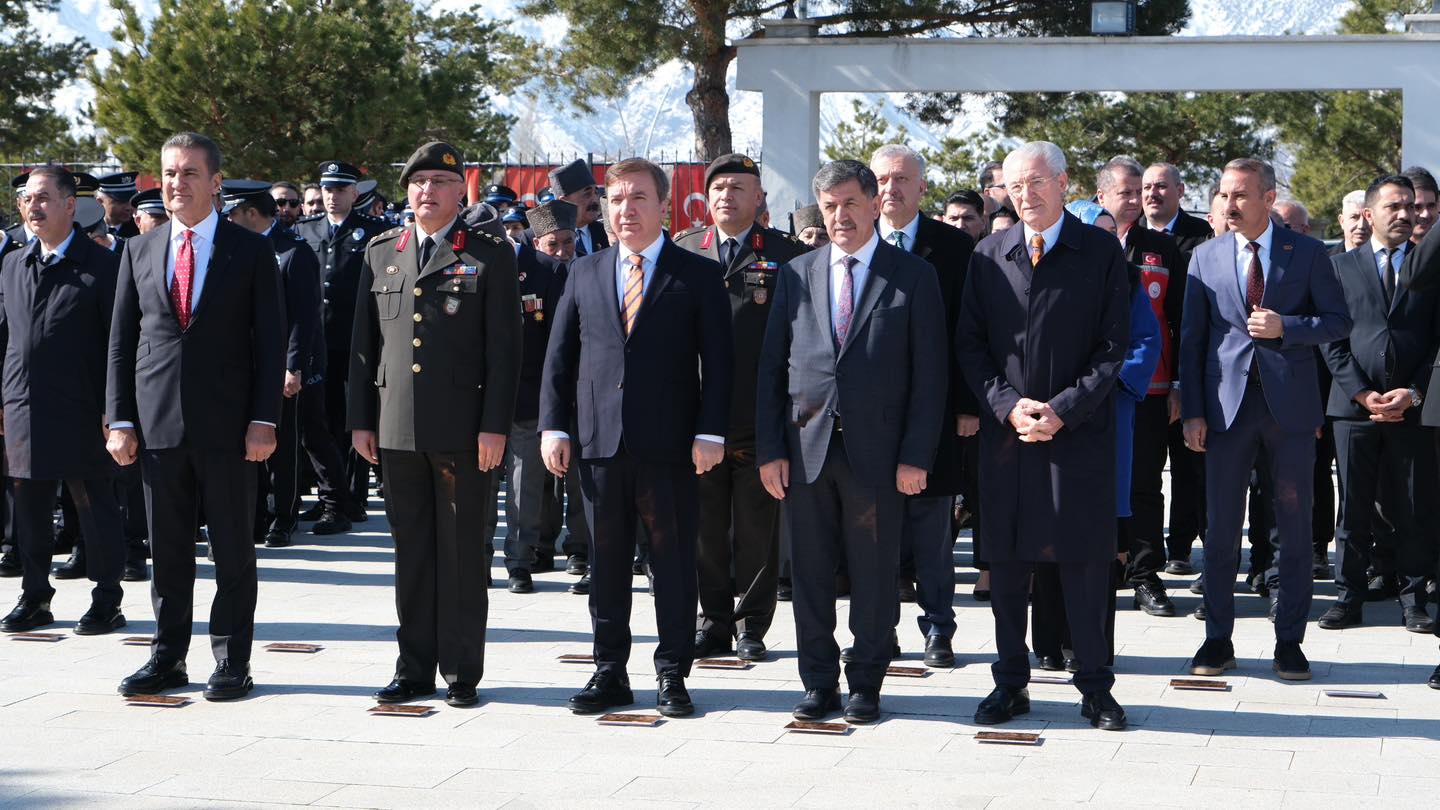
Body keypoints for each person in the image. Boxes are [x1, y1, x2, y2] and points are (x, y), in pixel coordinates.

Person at [539, 158, 732, 718]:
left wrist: (710, 431)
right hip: (599, 445)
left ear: (663, 204)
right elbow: (560, 357)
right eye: (616, 199)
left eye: (639, 198)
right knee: (605, 561)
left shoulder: (695, 273)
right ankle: (610, 670)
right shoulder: (585, 270)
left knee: (672, 564)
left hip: (672, 446)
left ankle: (672, 671)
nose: (626, 209)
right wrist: (555, 426)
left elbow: (719, 364)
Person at [757, 159, 945, 724]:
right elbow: (772, 369)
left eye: (850, 203)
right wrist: (770, 450)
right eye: (830, 206)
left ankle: (867, 681)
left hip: (881, 456)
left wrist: (916, 455)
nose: (841, 216)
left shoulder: (911, 275)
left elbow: (930, 376)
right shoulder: (797, 273)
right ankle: (818, 682)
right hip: (805, 449)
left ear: (873, 204)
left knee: (873, 574)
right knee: (810, 576)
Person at [958, 141, 1131, 732]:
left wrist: (1062, 409)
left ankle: (1095, 687)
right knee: (1007, 564)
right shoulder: (988, 254)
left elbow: (1114, 348)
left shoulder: (1101, 252)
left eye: (1035, 183)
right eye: (1013, 186)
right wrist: (1008, 408)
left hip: (1078, 436)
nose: (1024, 196)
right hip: (1008, 440)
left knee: (1084, 564)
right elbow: (971, 346)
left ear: (1063, 182)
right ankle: (1010, 682)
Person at [109, 132, 286, 701]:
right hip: (158, 427)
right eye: (168, 173)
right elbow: (120, 343)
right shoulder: (139, 250)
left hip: (231, 429)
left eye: (188, 173)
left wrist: (265, 419)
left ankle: (232, 660)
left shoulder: (251, 250)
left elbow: (270, 341)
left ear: (215, 183)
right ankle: (167, 657)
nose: (175, 183)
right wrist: (119, 419)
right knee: (169, 551)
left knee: (233, 549)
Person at [349, 141, 522, 708]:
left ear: (459, 191)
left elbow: (506, 351)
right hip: (396, 430)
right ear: (407, 190)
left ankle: (462, 671)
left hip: (466, 433)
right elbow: (361, 347)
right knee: (413, 553)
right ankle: (414, 667)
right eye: (418, 180)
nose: (428, 190)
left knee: (463, 553)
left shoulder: (490, 253)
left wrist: (495, 425)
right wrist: (361, 422)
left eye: (440, 182)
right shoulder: (382, 253)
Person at [1179, 157, 1350, 682]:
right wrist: (1192, 412)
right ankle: (1217, 639)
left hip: (1290, 409)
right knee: (1222, 527)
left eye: (1241, 195)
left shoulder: (1309, 253)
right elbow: (1192, 340)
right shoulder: (1204, 256)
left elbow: (1338, 321)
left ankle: (1290, 642)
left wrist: (1287, 326)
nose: (1229, 205)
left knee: (1294, 528)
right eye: (1224, 195)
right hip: (1226, 409)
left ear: (1268, 198)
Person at [672, 153, 805, 663]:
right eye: (719, 187)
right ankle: (713, 621)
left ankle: (752, 624)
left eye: (739, 187)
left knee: (756, 525)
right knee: (704, 527)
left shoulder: (783, 254)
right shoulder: (685, 248)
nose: (727, 195)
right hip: (698, 415)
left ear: (758, 198)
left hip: (757, 414)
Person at [1031, 200, 1161, 672]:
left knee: (1098, 538)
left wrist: (1102, 387)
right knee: (1045, 533)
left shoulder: (1125, 281)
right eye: (1096, 231)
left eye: (1112, 232)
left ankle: (1088, 648)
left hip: (1106, 420)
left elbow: (1145, 341)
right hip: (1048, 419)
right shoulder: (1043, 275)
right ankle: (1046, 640)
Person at [0, 166, 128, 636]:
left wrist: (116, 412)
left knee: (95, 505)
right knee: (29, 508)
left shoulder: (103, 267)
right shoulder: (14, 263)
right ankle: (35, 596)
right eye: (27, 199)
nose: (34, 207)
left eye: (45, 198)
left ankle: (107, 598)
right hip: (23, 406)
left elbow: (121, 344)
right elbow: (6, 336)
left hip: (84, 408)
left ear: (71, 205)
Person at [866, 144, 975, 670]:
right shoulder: (857, 243)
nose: (892, 188)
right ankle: (879, 629)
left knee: (933, 530)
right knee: (877, 530)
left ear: (922, 187)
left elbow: (970, 333)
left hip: (936, 413)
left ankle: (938, 628)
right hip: (869, 419)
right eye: (883, 179)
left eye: (902, 179)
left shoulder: (954, 248)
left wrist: (967, 404)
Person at [1319, 174, 1439, 634]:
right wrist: (1361, 392)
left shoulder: (1430, 268)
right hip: (1353, 409)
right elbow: (1331, 339)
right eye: (1394, 206)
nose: (1406, 214)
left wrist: (1413, 392)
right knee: (1352, 509)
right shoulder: (1339, 267)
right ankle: (1348, 598)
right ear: (1368, 215)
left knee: (1413, 506)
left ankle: (1413, 599)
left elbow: (1435, 341)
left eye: (1410, 206)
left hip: (1412, 407)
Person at [1095, 156, 1186, 618]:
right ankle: (1102, 568)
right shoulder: (1088, 244)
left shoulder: (1161, 247)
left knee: (1145, 484)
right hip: (1089, 394)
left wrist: (1179, 384)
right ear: (1102, 197)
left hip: (1147, 389)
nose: (1134, 200)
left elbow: (1179, 318)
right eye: (1125, 192)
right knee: (1096, 482)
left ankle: (1146, 574)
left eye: (1139, 192)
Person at [223, 180, 322, 549]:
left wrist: (292, 366)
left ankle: (284, 516)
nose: (227, 220)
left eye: (232, 213)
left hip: (280, 366)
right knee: (247, 446)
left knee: (283, 447)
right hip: (243, 365)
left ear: (250, 213)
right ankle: (257, 515)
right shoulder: (238, 250)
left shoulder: (293, 252)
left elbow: (303, 318)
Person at [296, 161, 387, 531]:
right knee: (322, 419)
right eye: (327, 189)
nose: (332, 197)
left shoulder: (374, 233)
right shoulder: (306, 230)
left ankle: (354, 496)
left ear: (354, 194)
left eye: (340, 190)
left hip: (355, 341)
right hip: (318, 341)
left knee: (355, 419)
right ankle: (328, 495)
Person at [493, 200, 576, 593]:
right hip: (479, 396)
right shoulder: (472, 266)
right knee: (480, 483)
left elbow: (560, 342)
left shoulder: (549, 271)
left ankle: (519, 561)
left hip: (529, 394)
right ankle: (477, 557)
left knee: (525, 483)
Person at [1142, 162, 1212, 254]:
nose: (1152, 193)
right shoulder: (1128, 232)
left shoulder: (1204, 234)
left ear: (1180, 191)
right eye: (1147, 187)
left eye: (1161, 186)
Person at [549, 159, 609, 257]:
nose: (595, 200)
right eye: (587, 194)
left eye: (596, 192)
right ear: (564, 201)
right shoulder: (547, 236)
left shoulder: (604, 233)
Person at [96, 172, 140, 239]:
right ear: (100, 202)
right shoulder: (89, 229)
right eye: (121, 202)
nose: (128, 207)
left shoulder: (140, 230)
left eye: (131, 201)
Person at [1336, 190, 1372, 254]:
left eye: (1367, 217)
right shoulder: (1326, 260)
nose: (1361, 226)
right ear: (1342, 221)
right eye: (1354, 217)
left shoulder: (1387, 259)